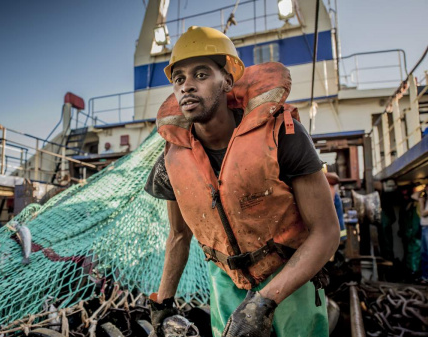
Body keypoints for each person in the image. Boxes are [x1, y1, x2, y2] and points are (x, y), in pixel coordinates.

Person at [144, 26, 340, 337]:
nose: (187, 87)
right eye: (179, 79)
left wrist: (263, 303)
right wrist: (163, 302)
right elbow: (178, 236)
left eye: (201, 75)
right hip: (225, 280)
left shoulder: (283, 136)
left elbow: (327, 232)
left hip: (290, 275)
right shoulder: (172, 161)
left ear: (228, 81)